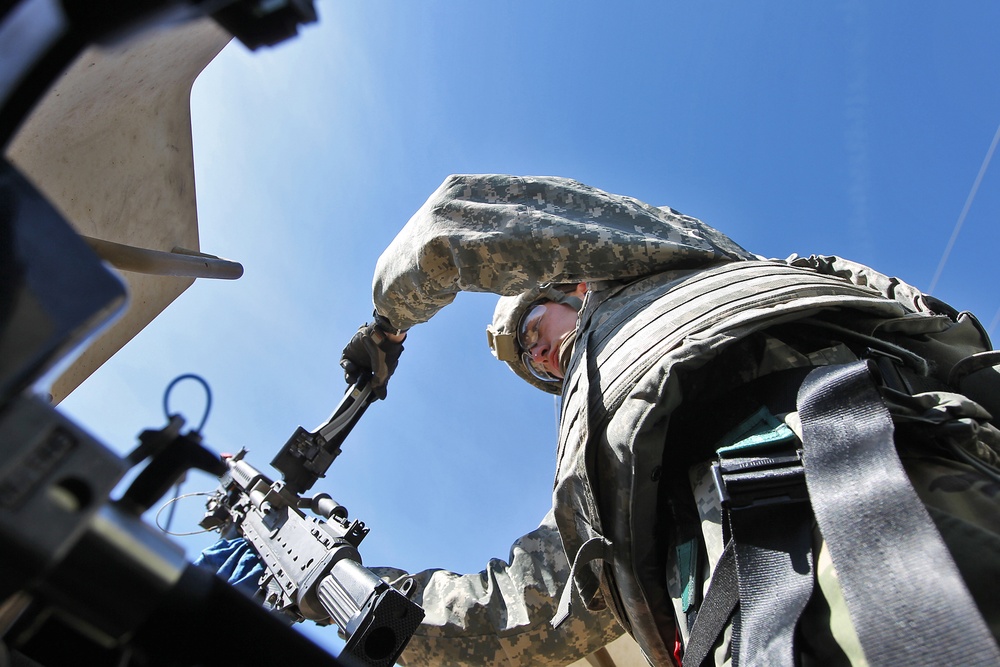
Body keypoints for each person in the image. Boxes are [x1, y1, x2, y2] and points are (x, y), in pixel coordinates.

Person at [344, 174, 1000, 667]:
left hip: (860, 463)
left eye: (534, 330)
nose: (541, 357)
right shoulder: (594, 473)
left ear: (572, 286)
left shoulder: (662, 262)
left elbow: (467, 218)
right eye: (536, 367)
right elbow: (528, 603)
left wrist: (387, 325)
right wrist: (364, 595)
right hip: (735, 624)